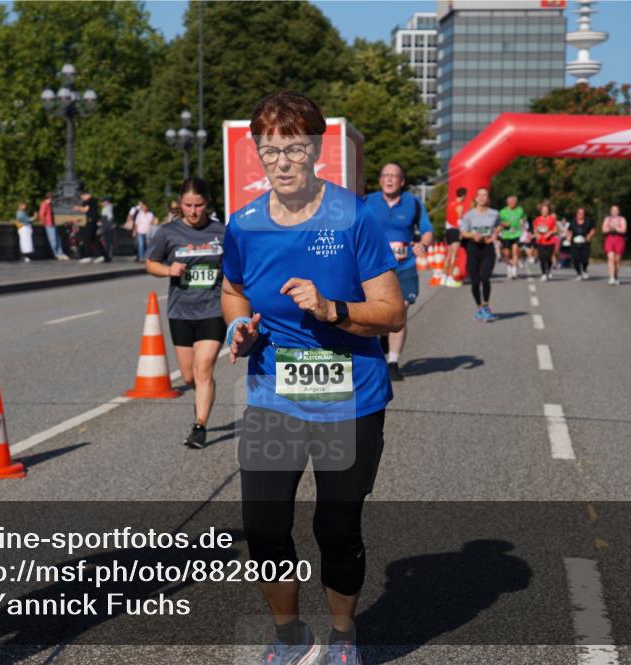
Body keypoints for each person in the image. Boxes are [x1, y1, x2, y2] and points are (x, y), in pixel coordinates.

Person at [222, 91, 404, 665]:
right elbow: (232, 292)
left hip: (350, 399)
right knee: (265, 525)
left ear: (315, 150)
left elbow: (393, 312)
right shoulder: (244, 224)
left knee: (337, 527)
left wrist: (333, 310)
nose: (280, 162)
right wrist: (238, 331)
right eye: (268, 150)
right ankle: (289, 638)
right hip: (275, 394)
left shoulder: (355, 215)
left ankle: (345, 636)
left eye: (293, 149)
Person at [145, 179, 225, 448]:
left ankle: (199, 425)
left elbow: (236, 267)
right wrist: (169, 270)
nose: (193, 211)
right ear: (180, 203)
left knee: (203, 369)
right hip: (181, 311)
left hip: (213, 309)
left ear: (208, 204)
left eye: (199, 205)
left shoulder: (221, 232)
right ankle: (203, 394)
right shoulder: (167, 233)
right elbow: (150, 263)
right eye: (188, 205)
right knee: (189, 376)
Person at [364, 163, 433, 381]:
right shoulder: (367, 202)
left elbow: (427, 231)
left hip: (405, 267)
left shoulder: (413, 202)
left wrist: (424, 244)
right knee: (376, 316)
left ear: (402, 181)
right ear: (380, 180)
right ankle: (378, 351)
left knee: (399, 314)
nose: (390, 179)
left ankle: (392, 363)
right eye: (386, 175)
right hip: (374, 269)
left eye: (394, 176)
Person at [459, 187, 500, 321]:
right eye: (480, 195)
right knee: (475, 281)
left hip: (488, 249)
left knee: (485, 277)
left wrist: (495, 234)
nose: (482, 198)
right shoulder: (469, 215)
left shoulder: (494, 213)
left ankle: (486, 306)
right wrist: (472, 234)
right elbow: (463, 232)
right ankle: (479, 308)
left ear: (488, 199)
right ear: (476, 198)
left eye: (485, 195)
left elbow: (498, 226)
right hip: (473, 249)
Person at [443, 186, 466, 287]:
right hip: (455, 230)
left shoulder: (451, 204)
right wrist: (462, 232)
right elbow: (460, 220)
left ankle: (444, 277)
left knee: (448, 255)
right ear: (464, 195)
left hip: (448, 230)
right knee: (454, 255)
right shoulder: (459, 206)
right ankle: (450, 278)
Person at [498, 195, 524, 279]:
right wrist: (504, 224)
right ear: (507, 202)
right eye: (510, 202)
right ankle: (509, 267)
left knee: (515, 252)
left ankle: (514, 272)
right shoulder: (502, 211)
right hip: (506, 235)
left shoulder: (520, 210)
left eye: (513, 202)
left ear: (516, 202)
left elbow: (523, 218)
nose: (512, 203)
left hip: (516, 234)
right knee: (506, 254)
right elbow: (498, 222)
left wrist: (522, 222)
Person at [38, 191, 68, 260]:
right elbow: (41, 214)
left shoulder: (49, 205)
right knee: (53, 239)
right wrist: (44, 222)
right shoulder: (44, 204)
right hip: (49, 224)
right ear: (49, 198)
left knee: (57, 239)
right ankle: (56, 253)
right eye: (52, 198)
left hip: (52, 223)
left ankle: (60, 253)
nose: (52, 200)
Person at [74, 192, 103, 263]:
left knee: (86, 238)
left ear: (86, 195)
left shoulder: (90, 200)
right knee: (94, 238)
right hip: (94, 221)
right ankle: (99, 256)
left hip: (90, 221)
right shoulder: (93, 200)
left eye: (82, 197)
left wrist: (78, 208)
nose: (82, 198)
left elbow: (86, 209)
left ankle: (87, 256)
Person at [602, 205, 627, 285]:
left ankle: (615, 276)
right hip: (609, 239)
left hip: (619, 240)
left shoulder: (622, 219)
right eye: (612, 210)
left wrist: (616, 229)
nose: (614, 211)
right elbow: (603, 230)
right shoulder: (607, 219)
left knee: (617, 260)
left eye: (616, 210)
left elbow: (624, 230)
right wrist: (610, 229)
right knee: (610, 258)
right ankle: (611, 277)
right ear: (610, 211)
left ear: (618, 211)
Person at [533, 203, 558, 281]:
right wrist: (537, 235)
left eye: (546, 210)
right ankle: (543, 273)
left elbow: (556, 229)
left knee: (548, 258)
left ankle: (549, 269)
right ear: (540, 211)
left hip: (550, 242)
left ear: (548, 211)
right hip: (540, 242)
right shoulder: (537, 219)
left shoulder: (552, 219)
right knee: (542, 257)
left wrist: (550, 233)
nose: (544, 212)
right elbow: (535, 228)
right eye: (543, 210)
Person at [569, 208, 595, 280]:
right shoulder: (573, 222)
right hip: (575, 243)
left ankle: (584, 270)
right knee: (575, 259)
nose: (581, 214)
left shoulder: (588, 221)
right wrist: (568, 237)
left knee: (585, 258)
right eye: (579, 213)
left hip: (585, 243)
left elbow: (592, 229)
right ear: (577, 214)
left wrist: (589, 235)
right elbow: (569, 231)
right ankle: (579, 274)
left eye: (582, 213)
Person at [99, 196, 115, 262]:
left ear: (106, 202)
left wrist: (106, 225)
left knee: (107, 242)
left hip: (107, 228)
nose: (102, 203)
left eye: (103, 202)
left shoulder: (107, 208)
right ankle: (107, 256)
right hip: (107, 227)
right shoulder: (107, 207)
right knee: (107, 242)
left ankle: (107, 256)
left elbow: (110, 217)